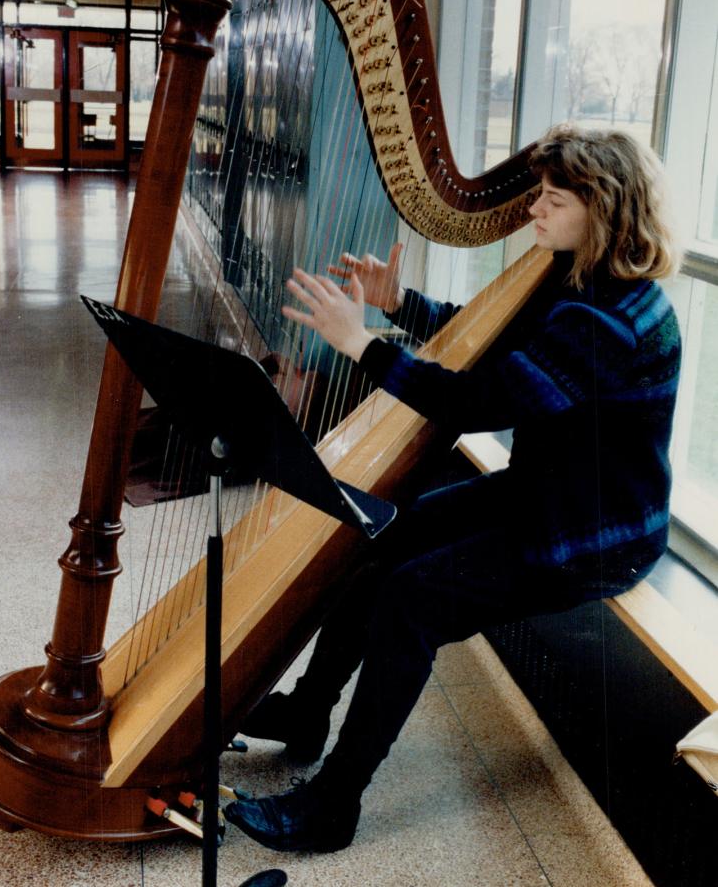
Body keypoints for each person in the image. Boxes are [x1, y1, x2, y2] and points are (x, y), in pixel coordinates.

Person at [224, 123, 682, 853]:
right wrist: (398, 303)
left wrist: (360, 344)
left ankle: (332, 806)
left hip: (592, 534)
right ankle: (309, 713)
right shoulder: (576, 277)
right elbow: (481, 339)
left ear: (603, 209)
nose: (533, 210)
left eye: (552, 199)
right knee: (375, 537)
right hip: (543, 494)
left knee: (412, 597)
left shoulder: (609, 319)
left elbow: (478, 404)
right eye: (536, 194)